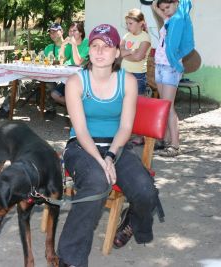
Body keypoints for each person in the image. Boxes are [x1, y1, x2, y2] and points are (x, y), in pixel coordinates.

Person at [57, 24, 158, 267]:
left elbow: (125, 127)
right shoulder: (75, 81)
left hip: (117, 146)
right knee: (96, 184)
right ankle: (70, 259)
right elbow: (80, 130)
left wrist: (110, 156)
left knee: (146, 191)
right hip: (81, 147)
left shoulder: (129, 81)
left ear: (117, 53)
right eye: (95, 46)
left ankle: (132, 221)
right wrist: (101, 161)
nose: (100, 51)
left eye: (107, 46)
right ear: (89, 50)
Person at [0, 23, 64, 119]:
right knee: (19, 80)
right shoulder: (48, 47)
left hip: (58, 78)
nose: (52, 34)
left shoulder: (69, 47)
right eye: (50, 32)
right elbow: (41, 62)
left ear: (61, 32)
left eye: (54, 32)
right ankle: (5, 109)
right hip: (40, 76)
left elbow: (67, 62)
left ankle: (51, 110)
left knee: (49, 83)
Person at [151, 0, 194, 157]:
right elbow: (155, 6)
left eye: (168, 7)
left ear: (176, 3)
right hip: (160, 66)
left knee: (168, 107)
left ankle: (175, 145)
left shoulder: (179, 19)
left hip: (170, 68)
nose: (165, 11)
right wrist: (160, 5)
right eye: (164, 9)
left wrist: (175, 59)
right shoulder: (169, 19)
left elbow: (185, 44)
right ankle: (167, 139)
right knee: (164, 106)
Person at [120, 8, 151, 145]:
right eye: (127, 23)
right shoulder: (126, 36)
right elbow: (118, 53)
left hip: (138, 76)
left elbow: (139, 57)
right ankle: (124, 133)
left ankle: (140, 135)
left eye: (130, 23)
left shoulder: (145, 38)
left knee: (138, 106)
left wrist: (127, 53)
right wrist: (131, 51)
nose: (128, 26)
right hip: (123, 74)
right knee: (123, 105)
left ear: (141, 23)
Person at [50, 22, 90, 108]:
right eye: (70, 31)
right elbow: (61, 59)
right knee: (54, 94)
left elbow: (78, 62)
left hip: (83, 80)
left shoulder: (86, 43)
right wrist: (63, 45)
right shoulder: (69, 44)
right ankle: (77, 108)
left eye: (74, 31)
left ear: (81, 33)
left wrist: (74, 45)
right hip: (69, 77)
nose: (71, 33)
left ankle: (79, 110)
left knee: (73, 95)